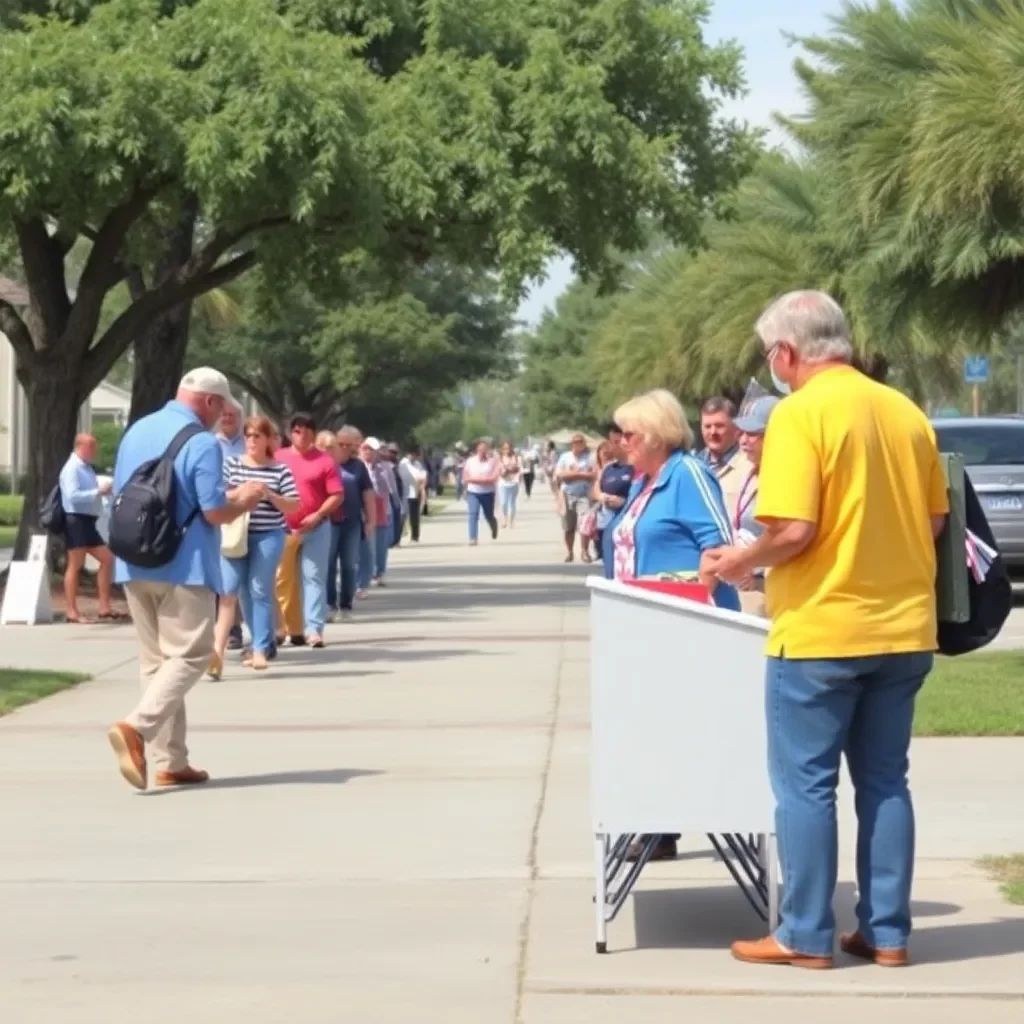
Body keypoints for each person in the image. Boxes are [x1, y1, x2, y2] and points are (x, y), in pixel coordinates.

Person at [703, 291, 948, 970]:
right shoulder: (905, 412)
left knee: (805, 787)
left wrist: (737, 559)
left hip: (818, 632)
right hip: (903, 628)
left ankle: (805, 934)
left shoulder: (798, 415)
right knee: (885, 783)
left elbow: (792, 529)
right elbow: (931, 521)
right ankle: (888, 934)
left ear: (786, 354)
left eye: (768, 355)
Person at [106, 367, 262, 790]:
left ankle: (171, 760)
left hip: (134, 561)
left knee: (155, 663)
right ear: (208, 401)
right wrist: (243, 500)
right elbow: (212, 511)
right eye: (222, 407)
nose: (221, 416)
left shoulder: (137, 430)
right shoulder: (202, 442)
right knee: (193, 655)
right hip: (184, 564)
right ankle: (137, 729)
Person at [209, 417, 299, 676]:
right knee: (228, 592)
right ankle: (217, 651)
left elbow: (294, 505)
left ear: (269, 440)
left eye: (257, 436)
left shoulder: (279, 470)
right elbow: (218, 494)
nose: (251, 441)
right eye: (248, 435)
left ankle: (260, 648)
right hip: (235, 534)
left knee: (260, 589)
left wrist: (270, 495)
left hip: (268, 535)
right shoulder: (232, 465)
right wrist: (240, 492)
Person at [275, 413, 343, 648]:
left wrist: (319, 514)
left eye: (305, 429)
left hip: (316, 528)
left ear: (313, 433)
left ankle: (314, 628)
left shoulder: (324, 461)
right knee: (282, 580)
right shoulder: (278, 458)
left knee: (313, 578)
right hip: (284, 528)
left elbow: (337, 494)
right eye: (296, 430)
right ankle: (282, 627)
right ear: (289, 433)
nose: (301, 434)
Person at [58, 433, 117, 623]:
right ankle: (71, 611)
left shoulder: (87, 468)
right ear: (81, 446)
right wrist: (98, 491)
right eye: (92, 448)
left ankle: (104, 606)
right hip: (76, 519)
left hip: (88, 521)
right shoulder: (72, 468)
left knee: (107, 559)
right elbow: (72, 495)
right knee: (75, 564)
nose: (95, 452)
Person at [730, 395, 780, 617]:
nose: (743, 441)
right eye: (741, 433)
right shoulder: (749, 473)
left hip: (774, 598)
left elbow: (789, 537)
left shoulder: (785, 477)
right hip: (745, 593)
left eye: (753, 434)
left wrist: (757, 574)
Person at [332, 426, 375, 615]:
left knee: (349, 564)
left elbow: (367, 493)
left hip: (352, 522)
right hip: (330, 521)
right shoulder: (327, 463)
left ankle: (346, 603)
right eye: (340, 444)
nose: (343, 448)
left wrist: (371, 521)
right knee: (328, 563)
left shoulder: (358, 466)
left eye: (348, 445)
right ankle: (329, 602)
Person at [697, 397, 752, 523]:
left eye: (719, 426)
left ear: (735, 427)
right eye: (707, 426)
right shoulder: (694, 466)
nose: (713, 432)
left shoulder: (750, 465)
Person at [593, 425, 634, 565]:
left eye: (617, 442)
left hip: (626, 524)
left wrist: (623, 502)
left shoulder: (636, 468)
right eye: (612, 442)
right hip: (606, 524)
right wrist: (602, 497)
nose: (614, 446)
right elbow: (596, 489)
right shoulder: (609, 468)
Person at [555, 433, 597, 563]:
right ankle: (569, 552)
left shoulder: (590, 458)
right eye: (575, 442)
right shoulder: (565, 457)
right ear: (571, 444)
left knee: (584, 524)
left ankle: (584, 551)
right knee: (568, 527)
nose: (578, 444)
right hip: (567, 494)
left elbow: (593, 475)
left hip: (583, 495)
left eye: (580, 442)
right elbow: (560, 475)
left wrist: (573, 474)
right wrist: (579, 474)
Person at [462, 438, 500, 545]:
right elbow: (466, 477)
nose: (482, 451)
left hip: (488, 493)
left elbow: (493, 478)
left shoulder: (492, 462)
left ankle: (493, 526)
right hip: (473, 492)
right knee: (473, 514)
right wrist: (483, 480)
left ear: (487, 450)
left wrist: (477, 479)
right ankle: (473, 537)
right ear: (476, 450)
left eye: (484, 449)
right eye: (480, 449)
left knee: (489, 515)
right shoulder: (470, 461)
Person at [399, 446, 428, 543]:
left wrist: (421, 485)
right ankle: (398, 535)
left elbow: (423, 475)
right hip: (405, 492)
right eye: (412, 454)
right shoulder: (403, 464)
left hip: (415, 492)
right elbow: (404, 477)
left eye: (415, 455)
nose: (414, 456)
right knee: (403, 515)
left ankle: (415, 536)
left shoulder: (418, 464)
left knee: (414, 515)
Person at [497, 441, 522, 529]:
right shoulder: (499, 458)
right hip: (503, 483)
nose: (507, 450)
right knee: (503, 503)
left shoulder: (516, 458)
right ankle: (504, 519)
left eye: (508, 448)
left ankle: (511, 521)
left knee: (512, 503)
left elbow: (519, 469)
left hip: (513, 483)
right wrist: (504, 472)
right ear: (502, 449)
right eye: (505, 448)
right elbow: (498, 471)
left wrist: (517, 477)